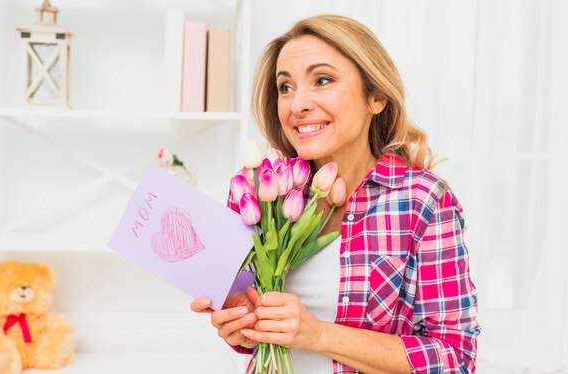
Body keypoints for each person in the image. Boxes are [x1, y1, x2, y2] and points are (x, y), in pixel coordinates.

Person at [191, 14, 480, 373]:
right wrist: (243, 327)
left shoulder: (423, 201)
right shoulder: (259, 189)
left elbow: (455, 358)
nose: (297, 105)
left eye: (322, 80)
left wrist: (318, 335)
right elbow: (252, 335)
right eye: (285, 87)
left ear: (375, 97)